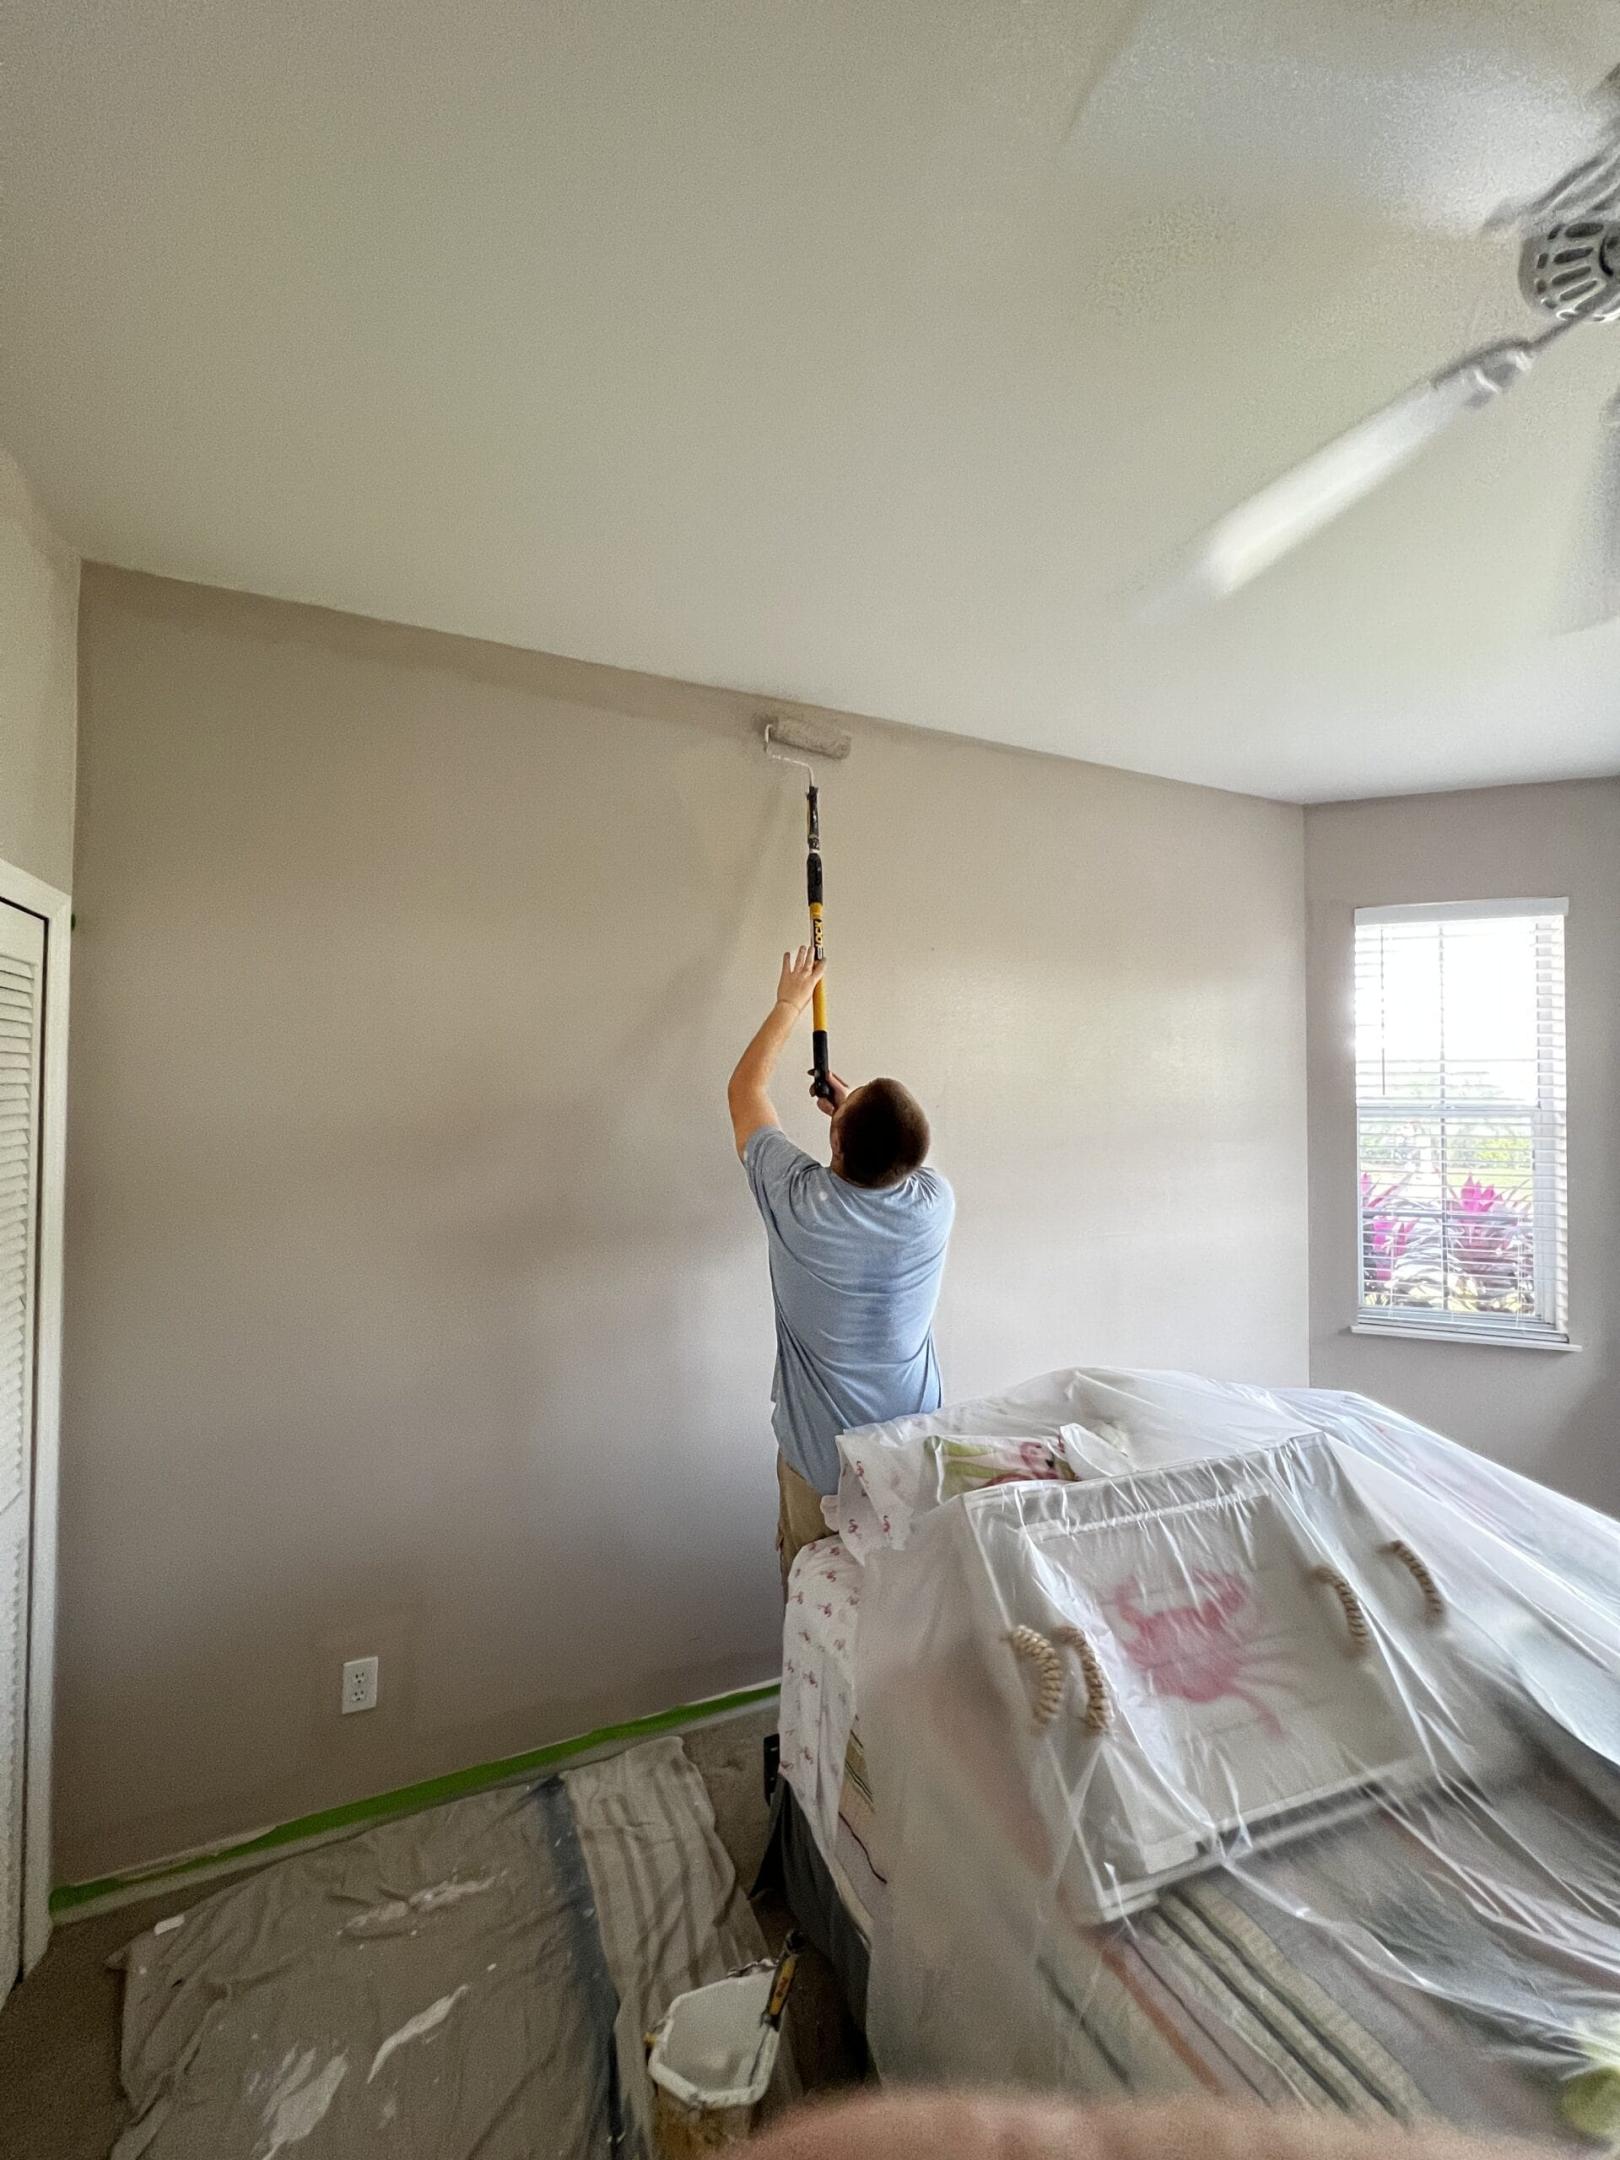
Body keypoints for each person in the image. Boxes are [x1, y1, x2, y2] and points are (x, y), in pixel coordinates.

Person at [728, 945, 954, 1589]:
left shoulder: (799, 1204)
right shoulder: (935, 1203)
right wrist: (852, 1115)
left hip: (823, 1466)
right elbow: (890, 1149)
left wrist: (789, 1003)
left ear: (835, 1140)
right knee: (903, 1603)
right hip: (912, 1452)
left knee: (816, 1611)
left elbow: (746, 1092)